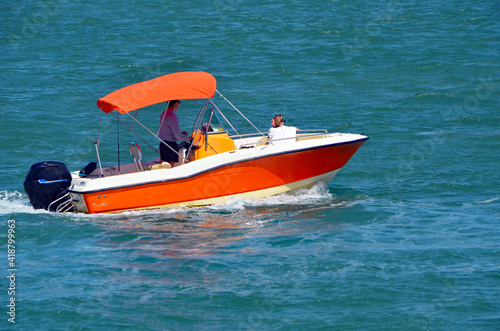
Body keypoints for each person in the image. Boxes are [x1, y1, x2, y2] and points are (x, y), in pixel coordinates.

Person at [158, 100, 190, 167]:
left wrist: (181, 133)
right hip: (170, 146)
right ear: (175, 103)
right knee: (169, 167)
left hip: (163, 144)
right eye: (179, 102)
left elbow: (166, 131)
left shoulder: (164, 113)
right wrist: (188, 138)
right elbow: (177, 135)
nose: (179, 104)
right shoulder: (172, 116)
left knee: (165, 167)